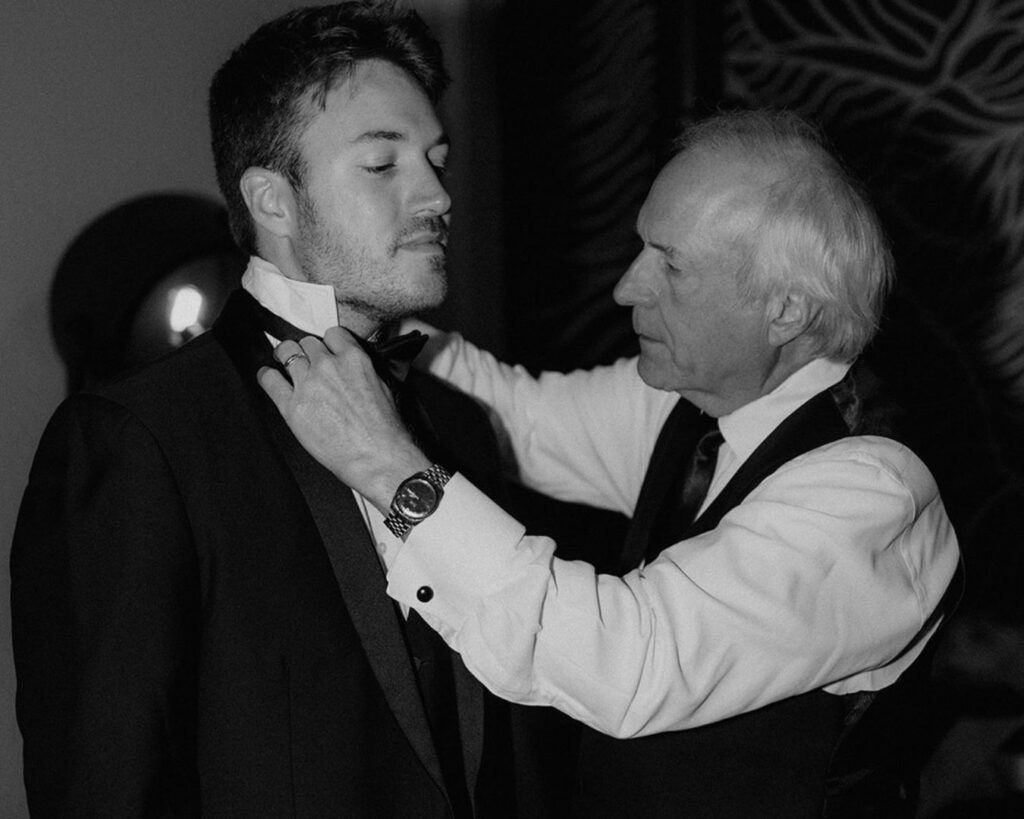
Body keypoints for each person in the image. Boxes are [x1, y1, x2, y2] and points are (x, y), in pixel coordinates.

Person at [259, 109, 963, 817]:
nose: (628, 287)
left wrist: (391, 471)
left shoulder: (871, 495)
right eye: (640, 248)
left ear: (785, 310)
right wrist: (354, 299)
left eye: (671, 264)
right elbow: (517, 419)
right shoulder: (691, 400)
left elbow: (626, 659)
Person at [11, 4, 549, 817]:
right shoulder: (137, 439)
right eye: (382, 164)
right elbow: (104, 783)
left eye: (437, 159)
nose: (437, 194)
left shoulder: (461, 422)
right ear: (273, 200)